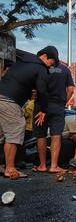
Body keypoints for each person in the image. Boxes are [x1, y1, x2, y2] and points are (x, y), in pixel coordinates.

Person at [0, 45, 58, 179]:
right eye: (51, 62)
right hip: (9, 100)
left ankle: (3, 164)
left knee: (3, 134)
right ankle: (9, 169)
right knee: (15, 130)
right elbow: (42, 91)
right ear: (44, 56)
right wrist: (43, 109)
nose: (50, 65)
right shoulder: (40, 67)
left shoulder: (24, 61)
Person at [33, 62, 75, 173]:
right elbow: (71, 89)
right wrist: (63, 102)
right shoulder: (65, 69)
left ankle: (42, 165)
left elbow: (34, 88)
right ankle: (53, 166)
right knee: (56, 135)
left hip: (41, 104)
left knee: (41, 135)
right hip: (57, 105)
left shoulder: (41, 67)